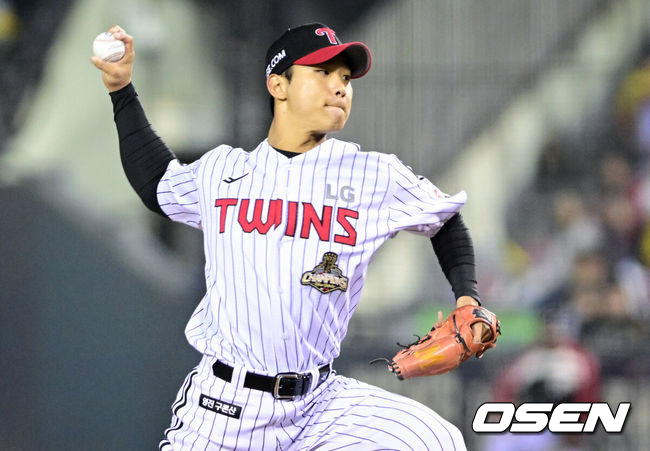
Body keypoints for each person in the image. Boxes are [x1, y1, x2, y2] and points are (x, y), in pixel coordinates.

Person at [92, 22, 492, 451]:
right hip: (226, 408)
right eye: (322, 72)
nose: (340, 87)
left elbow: (445, 221)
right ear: (278, 85)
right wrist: (121, 90)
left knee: (437, 440)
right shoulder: (223, 170)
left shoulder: (375, 175)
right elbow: (158, 183)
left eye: (345, 77)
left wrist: (466, 298)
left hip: (321, 402)